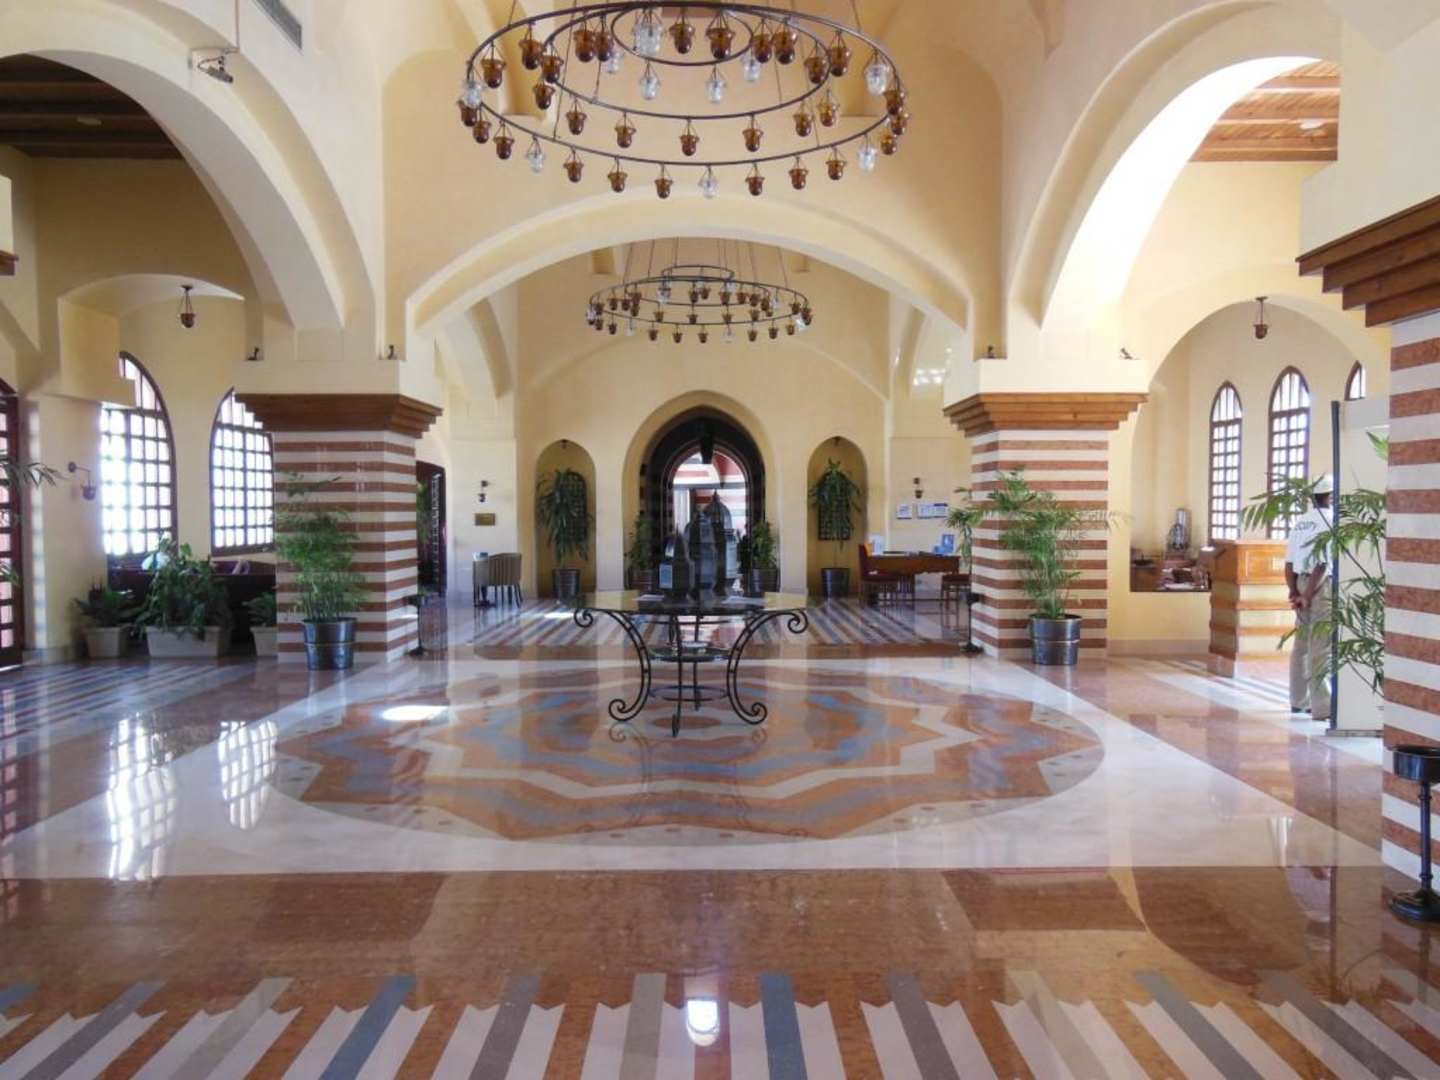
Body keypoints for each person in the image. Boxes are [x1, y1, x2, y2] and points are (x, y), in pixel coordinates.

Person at [1285, 474, 1334, 721]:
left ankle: (1298, 700)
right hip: (1319, 586)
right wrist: (1306, 594)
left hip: (1300, 582)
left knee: (1301, 644)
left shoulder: (1301, 522)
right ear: (1330, 496)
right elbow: (1322, 564)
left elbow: (1289, 563)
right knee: (1320, 646)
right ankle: (1322, 707)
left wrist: (1294, 591)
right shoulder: (1330, 520)